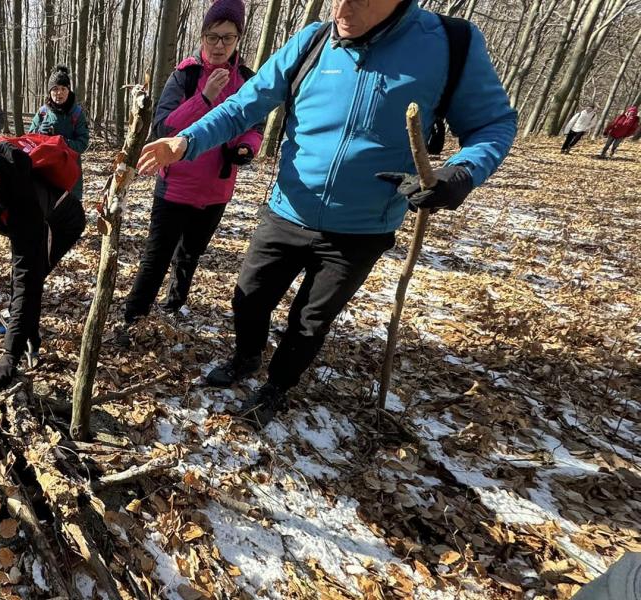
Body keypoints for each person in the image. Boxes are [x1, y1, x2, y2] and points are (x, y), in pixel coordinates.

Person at [137, 0, 517, 428]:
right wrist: (184, 141)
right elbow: (243, 106)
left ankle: (277, 386)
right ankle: (246, 358)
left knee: (309, 322)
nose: (341, 7)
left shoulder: (449, 44)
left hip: (361, 229)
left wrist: (459, 174)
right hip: (286, 211)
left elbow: (493, 125)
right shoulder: (312, 41)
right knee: (249, 299)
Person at [117, 0, 261, 345]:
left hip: (216, 190)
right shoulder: (186, 74)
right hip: (176, 187)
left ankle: (173, 308)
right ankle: (132, 318)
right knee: (156, 257)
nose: (219, 46)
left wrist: (248, 148)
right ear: (202, 36)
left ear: (238, 38)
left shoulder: (248, 79)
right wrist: (206, 98)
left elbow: (253, 126)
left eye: (227, 38)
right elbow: (164, 126)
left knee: (190, 255)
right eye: (213, 37)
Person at [0, 129, 86, 391]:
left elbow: (26, 281)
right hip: (32, 219)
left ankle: (24, 341)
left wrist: (9, 355)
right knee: (25, 283)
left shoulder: (22, 202)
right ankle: (27, 334)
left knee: (30, 279)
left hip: (61, 222)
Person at [26, 65, 90, 202]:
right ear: (49, 92)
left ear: (68, 90)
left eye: (63, 89)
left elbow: (83, 143)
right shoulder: (43, 112)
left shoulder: (77, 114)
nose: (59, 93)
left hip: (70, 171)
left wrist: (62, 142)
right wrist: (40, 133)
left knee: (69, 210)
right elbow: (29, 138)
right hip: (46, 170)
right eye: (55, 89)